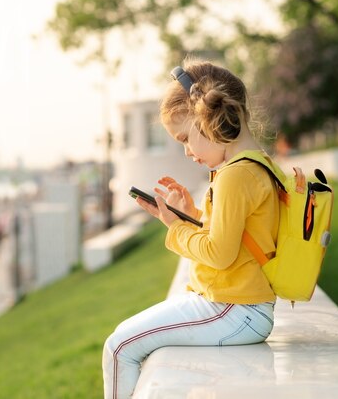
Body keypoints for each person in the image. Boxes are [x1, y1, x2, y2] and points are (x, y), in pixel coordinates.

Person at [102, 59, 279, 399]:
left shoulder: (234, 175)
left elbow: (220, 253)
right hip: (239, 306)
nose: (187, 152)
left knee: (119, 346)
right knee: (123, 342)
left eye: (185, 138)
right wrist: (189, 214)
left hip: (232, 307)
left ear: (207, 118)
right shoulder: (254, 165)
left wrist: (174, 228)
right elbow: (238, 237)